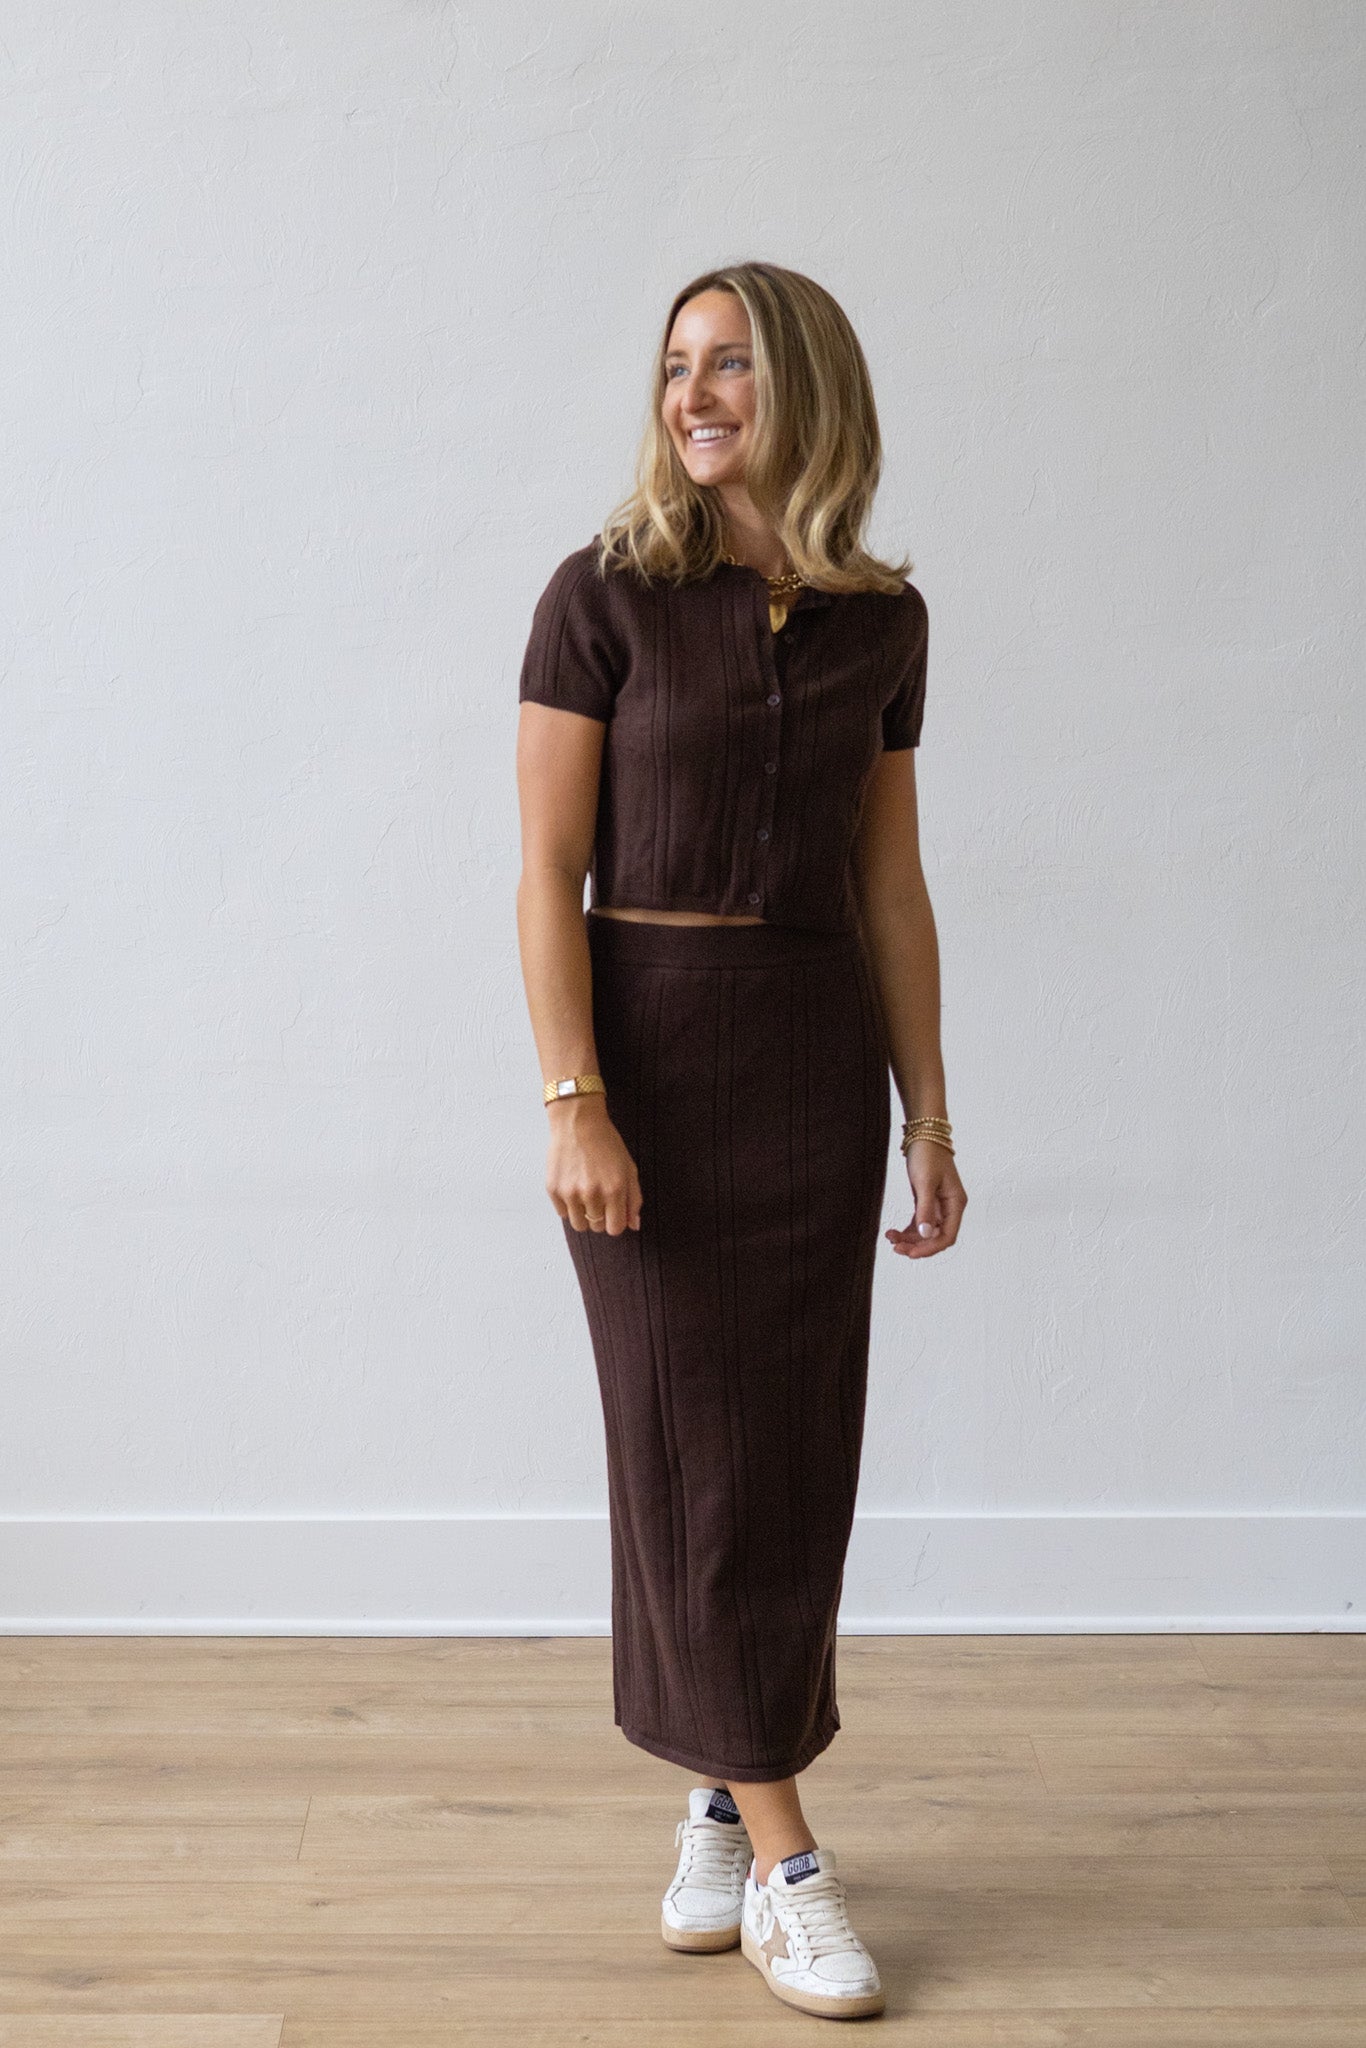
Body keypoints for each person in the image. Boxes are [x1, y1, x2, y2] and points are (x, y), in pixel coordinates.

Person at [515, 260, 966, 2022]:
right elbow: (546, 873)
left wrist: (926, 1112)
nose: (694, 391)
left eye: (733, 366)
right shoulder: (601, 598)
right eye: (676, 365)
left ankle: (712, 1786)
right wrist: (576, 1097)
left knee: (786, 1463)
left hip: (808, 1069)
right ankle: (787, 1858)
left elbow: (890, 884)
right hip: (649, 1068)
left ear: (809, 392)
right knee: (688, 1458)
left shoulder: (881, 620)